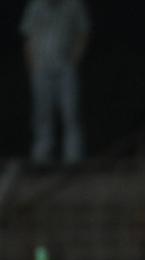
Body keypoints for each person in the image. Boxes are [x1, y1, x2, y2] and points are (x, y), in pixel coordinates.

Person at [19, 0, 91, 166]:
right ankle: (41, 157)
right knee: (42, 114)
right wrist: (33, 67)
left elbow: (83, 32)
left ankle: (73, 158)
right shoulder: (35, 6)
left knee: (70, 112)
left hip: (65, 68)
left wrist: (74, 60)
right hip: (41, 68)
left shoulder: (74, 5)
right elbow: (27, 36)